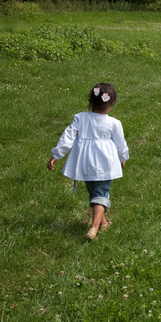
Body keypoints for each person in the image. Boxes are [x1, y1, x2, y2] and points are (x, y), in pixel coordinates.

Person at [47, 83, 129, 241]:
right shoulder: (114, 123)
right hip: (104, 163)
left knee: (95, 193)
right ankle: (94, 228)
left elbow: (67, 137)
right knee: (101, 194)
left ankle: (103, 223)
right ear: (112, 104)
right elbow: (121, 143)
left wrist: (56, 155)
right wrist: (122, 157)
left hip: (84, 162)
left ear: (90, 101)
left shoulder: (80, 117)